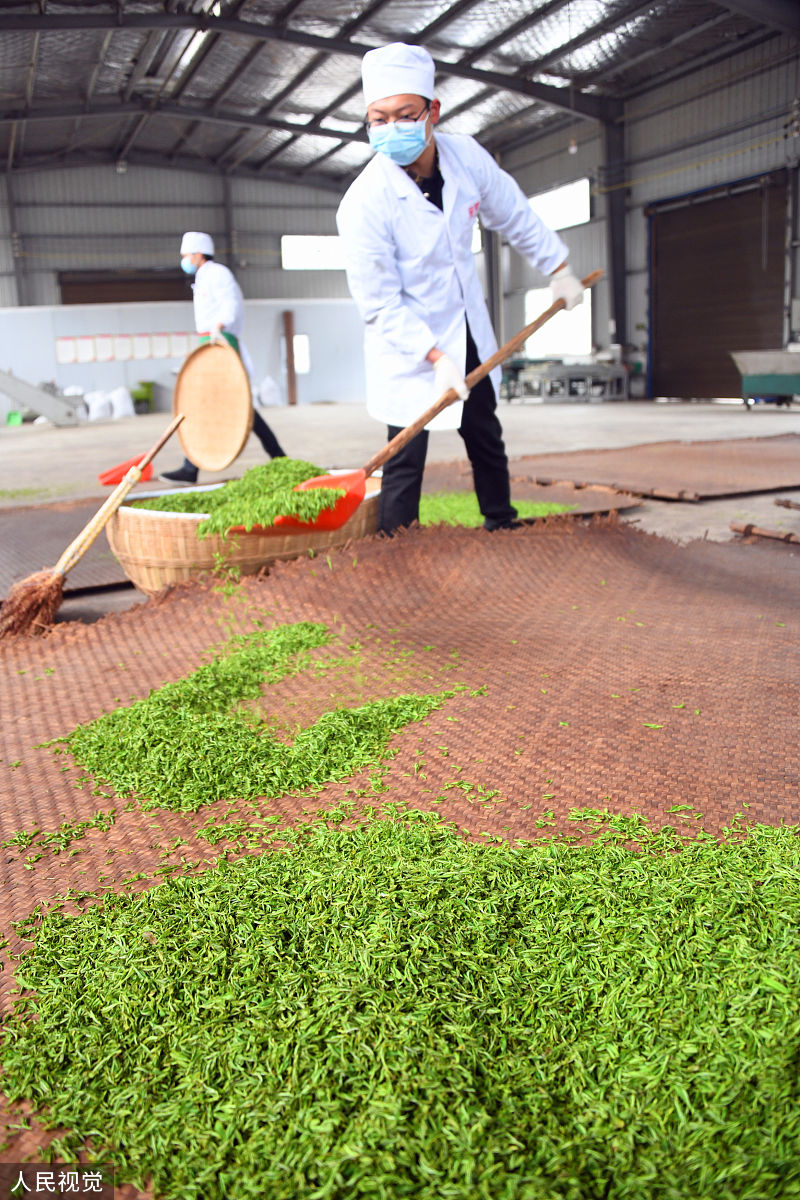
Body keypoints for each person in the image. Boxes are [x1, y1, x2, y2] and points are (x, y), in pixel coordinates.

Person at [336, 43, 584, 534]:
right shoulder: (364, 202)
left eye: (404, 115)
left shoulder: (465, 156)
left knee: (485, 432)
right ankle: (394, 549)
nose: (391, 129)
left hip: (467, 329)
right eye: (378, 119)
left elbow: (512, 212)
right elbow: (380, 303)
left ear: (433, 111)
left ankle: (501, 520)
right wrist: (433, 357)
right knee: (406, 453)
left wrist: (558, 267)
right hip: (408, 345)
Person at [159, 231, 286, 484]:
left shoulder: (218, 273)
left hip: (220, 342)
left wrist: (220, 326)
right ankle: (278, 458)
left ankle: (279, 458)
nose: (184, 259)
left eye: (186, 255)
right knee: (208, 405)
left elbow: (231, 303)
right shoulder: (203, 277)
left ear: (197, 254)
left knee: (225, 405)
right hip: (208, 343)